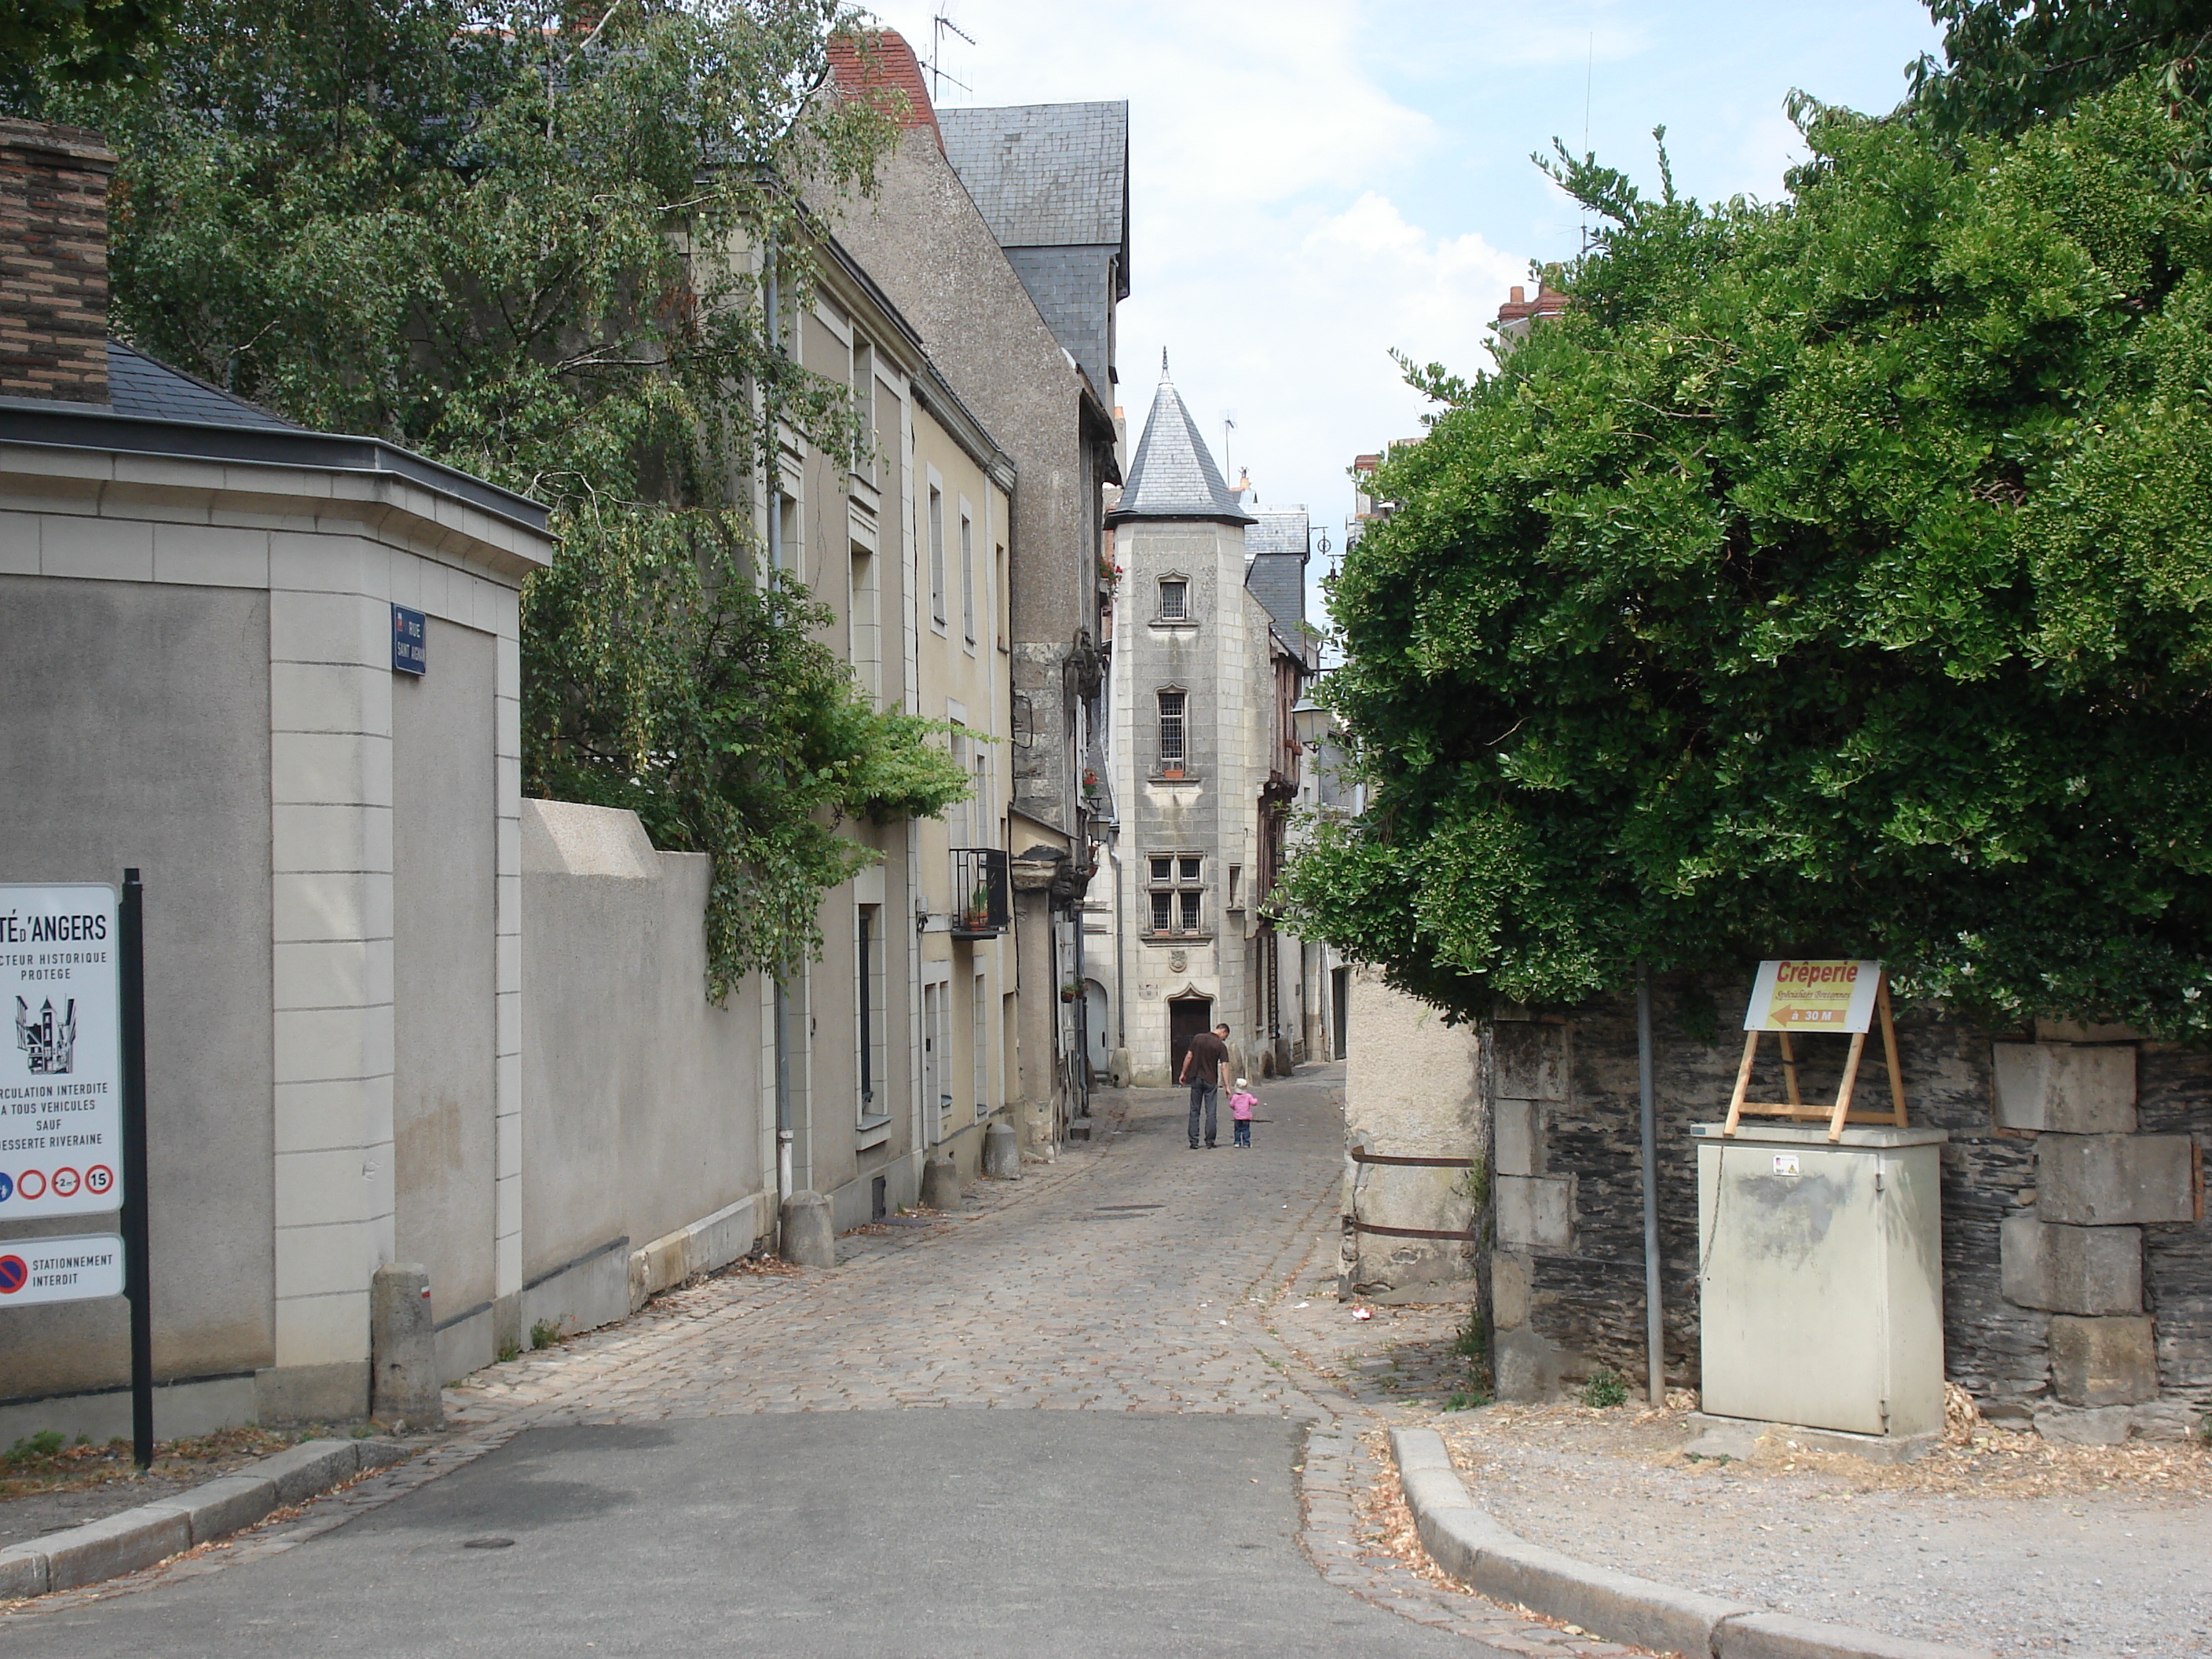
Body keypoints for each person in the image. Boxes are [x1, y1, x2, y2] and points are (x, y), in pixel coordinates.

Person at [1179, 1021, 1230, 1148]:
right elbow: (1224, 1067)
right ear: (1223, 1031)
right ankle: (1210, 1141)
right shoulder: (1220, 1045)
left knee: (1194, 1110)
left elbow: (1189, 1056)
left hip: (1196, 1077)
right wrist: (1227, 1086)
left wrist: (1183, 1073)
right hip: (1211, 1080)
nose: (1224, 1039)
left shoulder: (1198, 1038)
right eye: (1226, 1036)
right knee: (1211, 1111)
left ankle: (1194, 1141)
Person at [1228, 1078, 1258, 1148]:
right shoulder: (1248, 1096)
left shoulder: (1235, 1097)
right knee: (1246, 1130)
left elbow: (1231, 1105)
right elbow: (1253, 1103)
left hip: (1237, 1116)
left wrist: (1235, 1109)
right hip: (1246, 1116)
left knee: (1237, 1130)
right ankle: (1246, 1143)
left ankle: (1237, 1142)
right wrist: (1256, 1100)